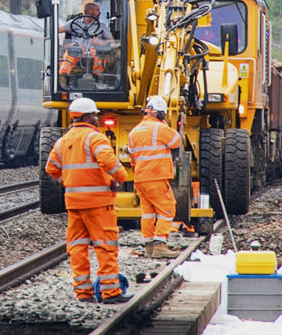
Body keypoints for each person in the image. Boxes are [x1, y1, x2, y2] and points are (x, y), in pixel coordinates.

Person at [45, 97, 133, 304]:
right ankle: (111, 292)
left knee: (77, 248)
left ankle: (83, 293)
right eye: (95, 114)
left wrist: (67, 180)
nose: (98, 117)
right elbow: (110, 163)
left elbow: (51, 168)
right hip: (98, 204)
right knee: (105, 246)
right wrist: (119, 178)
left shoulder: (62, 141)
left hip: (74, 204)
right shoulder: (95, 138)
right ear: (86, 117)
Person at [127, 95, 182, 259]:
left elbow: (132, 156)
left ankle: (149, 246)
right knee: (167, 209)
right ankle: (160, 245)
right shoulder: (159, 128)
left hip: (140, 178)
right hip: (156, 176)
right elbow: (176, 142)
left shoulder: (134, 132)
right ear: (160, 114)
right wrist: (166, 125)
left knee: (148, 212)